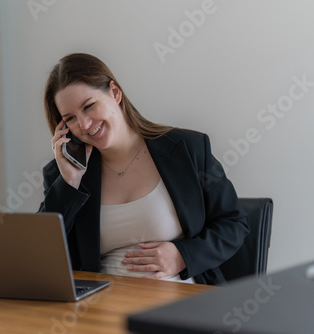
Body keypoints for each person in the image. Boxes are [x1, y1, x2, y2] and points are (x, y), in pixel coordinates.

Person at [38, 53, 249, 285]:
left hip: (184, 302)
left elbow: (234, 225)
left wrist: (183, 256)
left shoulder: (187, 149)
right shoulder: (65, 176)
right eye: (70, 119)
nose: (84, 125)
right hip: (100, 311)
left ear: (115, 93)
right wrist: (69, 183)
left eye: (89, 106)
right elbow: (41, 254)